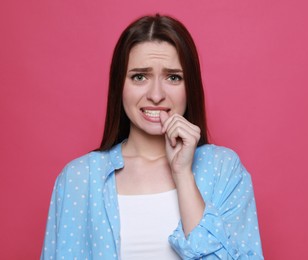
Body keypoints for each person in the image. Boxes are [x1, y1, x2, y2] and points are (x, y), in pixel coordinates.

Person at [41, 14, 264, 259]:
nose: (156, 95)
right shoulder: (79, 178)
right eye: (139, 77)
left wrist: (183, 175)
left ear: (189, 87)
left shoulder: (224, 170)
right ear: (120, 86)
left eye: (173, 77)